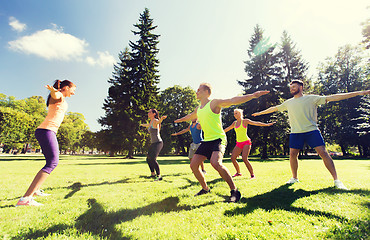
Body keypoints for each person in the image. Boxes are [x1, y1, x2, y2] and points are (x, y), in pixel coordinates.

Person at [252, 80, 370, 190]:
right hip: (296, 132)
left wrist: (361, 92)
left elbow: (333, 97)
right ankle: (294, 178)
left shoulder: (312, 98)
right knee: (293, 154)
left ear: (301, 87)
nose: (292, 89)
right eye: (291, 87)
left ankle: (337, 181)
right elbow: (274, 108)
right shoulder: (289, 102)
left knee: (323, 153)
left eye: (294, 87)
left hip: (312, 131)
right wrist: (260, 113)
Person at [174, 83, 269, 202]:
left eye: (199, 90)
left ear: (206, 92)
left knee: (216, 163)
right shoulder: (199, 109)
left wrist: (253, 95)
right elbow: (191, 116)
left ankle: (234, 190)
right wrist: (179, 120)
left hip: (218, 139)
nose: (196, 92)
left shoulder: (214, 103)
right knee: (193, 165)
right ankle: (205, 188)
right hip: (206, 140)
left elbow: (232, 100)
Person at [16, 80, 76, 206]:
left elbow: (57, 96)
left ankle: (36, 190)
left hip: (46, 131)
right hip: (46, 131)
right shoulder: (58, 97)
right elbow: (56, 95)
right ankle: (26, 199)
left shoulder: (61, 99)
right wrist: (54, 92)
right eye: (73, 90)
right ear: (66, 88)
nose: (74, 93)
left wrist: (56, 92)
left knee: (50, 161)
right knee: (52, 162)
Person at [224, 109, 275, 179]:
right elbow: (227, 129)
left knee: (244, 158)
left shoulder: (245, 121)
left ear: (240, 114)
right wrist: (218, 132)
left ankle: (252, 175)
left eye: (236, 113)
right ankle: (238, 173)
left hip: (246, 142)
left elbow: (256, 123)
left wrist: (266, 124)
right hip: (238, 143)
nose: (234, 115)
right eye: (234, 114)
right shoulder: (234, 123)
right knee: (233, 158)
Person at [140, 109, 167, 181]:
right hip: (153, 143)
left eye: (149, 112)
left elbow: (159, 122)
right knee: (148, 158)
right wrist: (141, 124)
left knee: (153, 158)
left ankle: (159, 176)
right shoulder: (151, 122)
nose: (148, 113)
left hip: (158, 142)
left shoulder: (155, 121)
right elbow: (148, 125)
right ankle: (153, 174)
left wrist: (161, 118)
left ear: (154, 114)